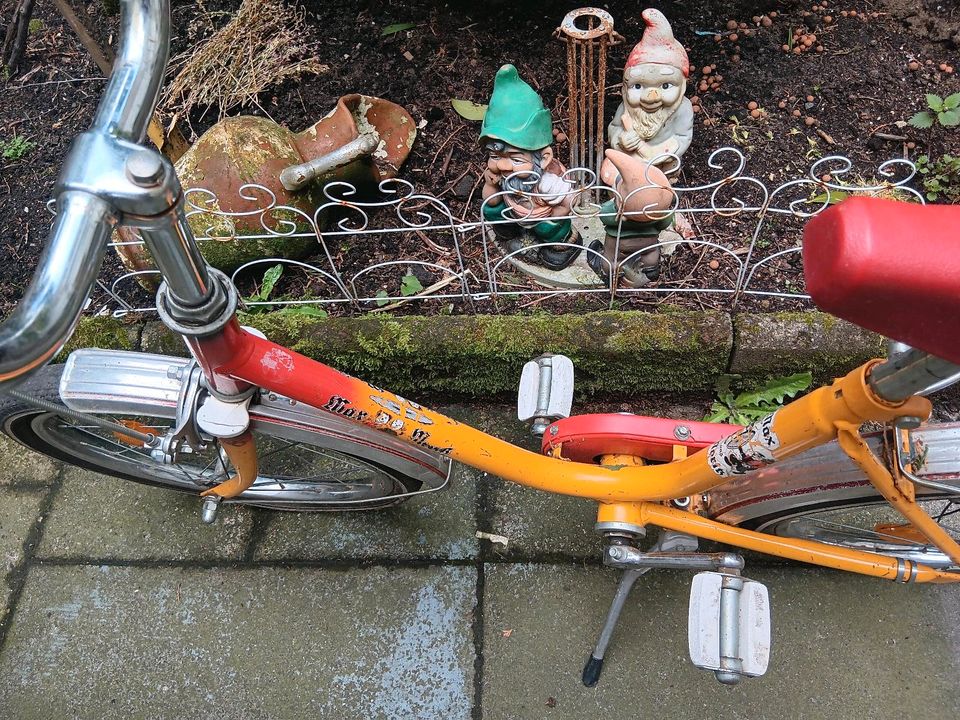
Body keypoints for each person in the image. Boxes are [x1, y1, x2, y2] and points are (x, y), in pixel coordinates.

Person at [480, 64, 581, 270]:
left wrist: (557, 215)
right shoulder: (501, 173)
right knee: (492, 209)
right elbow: (492, 199)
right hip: (516, 211)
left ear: (543, 158)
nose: (503, 165)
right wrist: (490, 186)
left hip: (540, 214)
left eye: (516, 159)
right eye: (494, 156)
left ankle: (562, 245)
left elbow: (569, 198)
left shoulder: (547, 181)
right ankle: (510, 233)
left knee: (549, 229)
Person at [607, 9, 694, 176]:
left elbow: (683, 137)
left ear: (682, 85)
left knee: (665, 175)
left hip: (664, 161)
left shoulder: (683, 108)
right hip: (632, 160)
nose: (651, 96)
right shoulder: (627, 108)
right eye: (638, 86)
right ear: (625, 86)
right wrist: (621, 139)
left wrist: (659, 153)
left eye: (666, 86)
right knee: (615, 171)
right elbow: (615, 127)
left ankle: (664, 185)